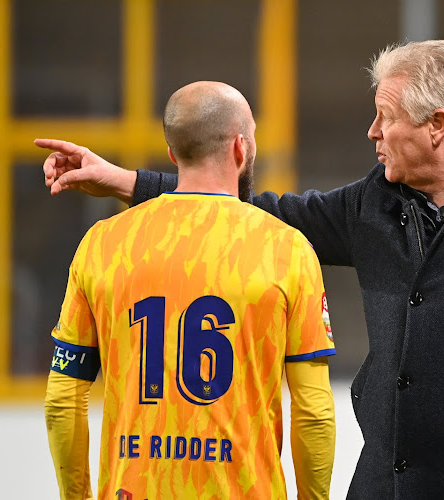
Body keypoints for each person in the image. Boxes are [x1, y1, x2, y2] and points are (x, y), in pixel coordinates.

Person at [38, 41, 444, 499]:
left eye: (385, 117)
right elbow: (255, 214)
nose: (372, 131)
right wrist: (126, 182)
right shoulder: (376, 202)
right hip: (383, 486)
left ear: (436, 126)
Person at [41, 81, 336, 500]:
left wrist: (78, 497)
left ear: (172, 155)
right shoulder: (286, 249)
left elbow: (62, 399)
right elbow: (313, 411)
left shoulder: (102, 243)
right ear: (240, 148)